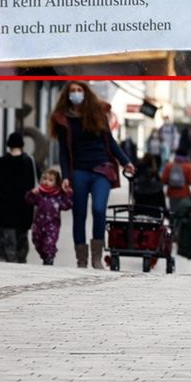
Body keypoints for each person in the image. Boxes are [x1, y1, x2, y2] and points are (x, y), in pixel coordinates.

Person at [49, 82, 134, 269]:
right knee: (78, 214)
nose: (76, 94)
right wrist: (65, 176)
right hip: (78, 170)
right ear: (67, 95)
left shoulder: (97, 114)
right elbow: (63, 151)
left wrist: (125, 161)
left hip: (102, 168)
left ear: (86, 93)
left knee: (98, 209)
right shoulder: (63, 119)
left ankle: (97, 257)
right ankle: (81, 259)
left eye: (80, 90)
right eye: (73, 91)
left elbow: (110, 142)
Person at [0, 131, 37, 263]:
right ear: (22, 144)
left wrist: (3, 191)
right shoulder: (29, 162)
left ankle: (11, 264)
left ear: (8, 145)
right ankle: (21, 263)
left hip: (5, 208)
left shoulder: (1, 162)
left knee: (8, 241)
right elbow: (35, 182)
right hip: (24, 208)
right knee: (22, 239)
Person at [26, 167, 71, 265]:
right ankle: (44, 256)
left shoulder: (59, 195)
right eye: (45, 179)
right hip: (38, 225)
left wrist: (68, 193)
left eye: (50, 180)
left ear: (56, 183)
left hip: (52, 226)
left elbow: (67, 205)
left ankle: (49, 258)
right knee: (36, 241)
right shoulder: (39, 193)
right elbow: (29, 200)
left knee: (49, 244)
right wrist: (31, 193)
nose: (46, 182)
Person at [161, 145, 191, 212]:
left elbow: (163, 180)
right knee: (183, 214)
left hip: (172, 194)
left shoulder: (169, 166)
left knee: (173, 213)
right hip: (185, 193)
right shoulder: (188, 166)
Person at [131, 154, 167, 219]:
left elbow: (133, 194)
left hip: (139, 213)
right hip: (154, 213)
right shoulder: (156, 177)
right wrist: (166, 213)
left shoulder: (137, 175)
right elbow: (161, 199)